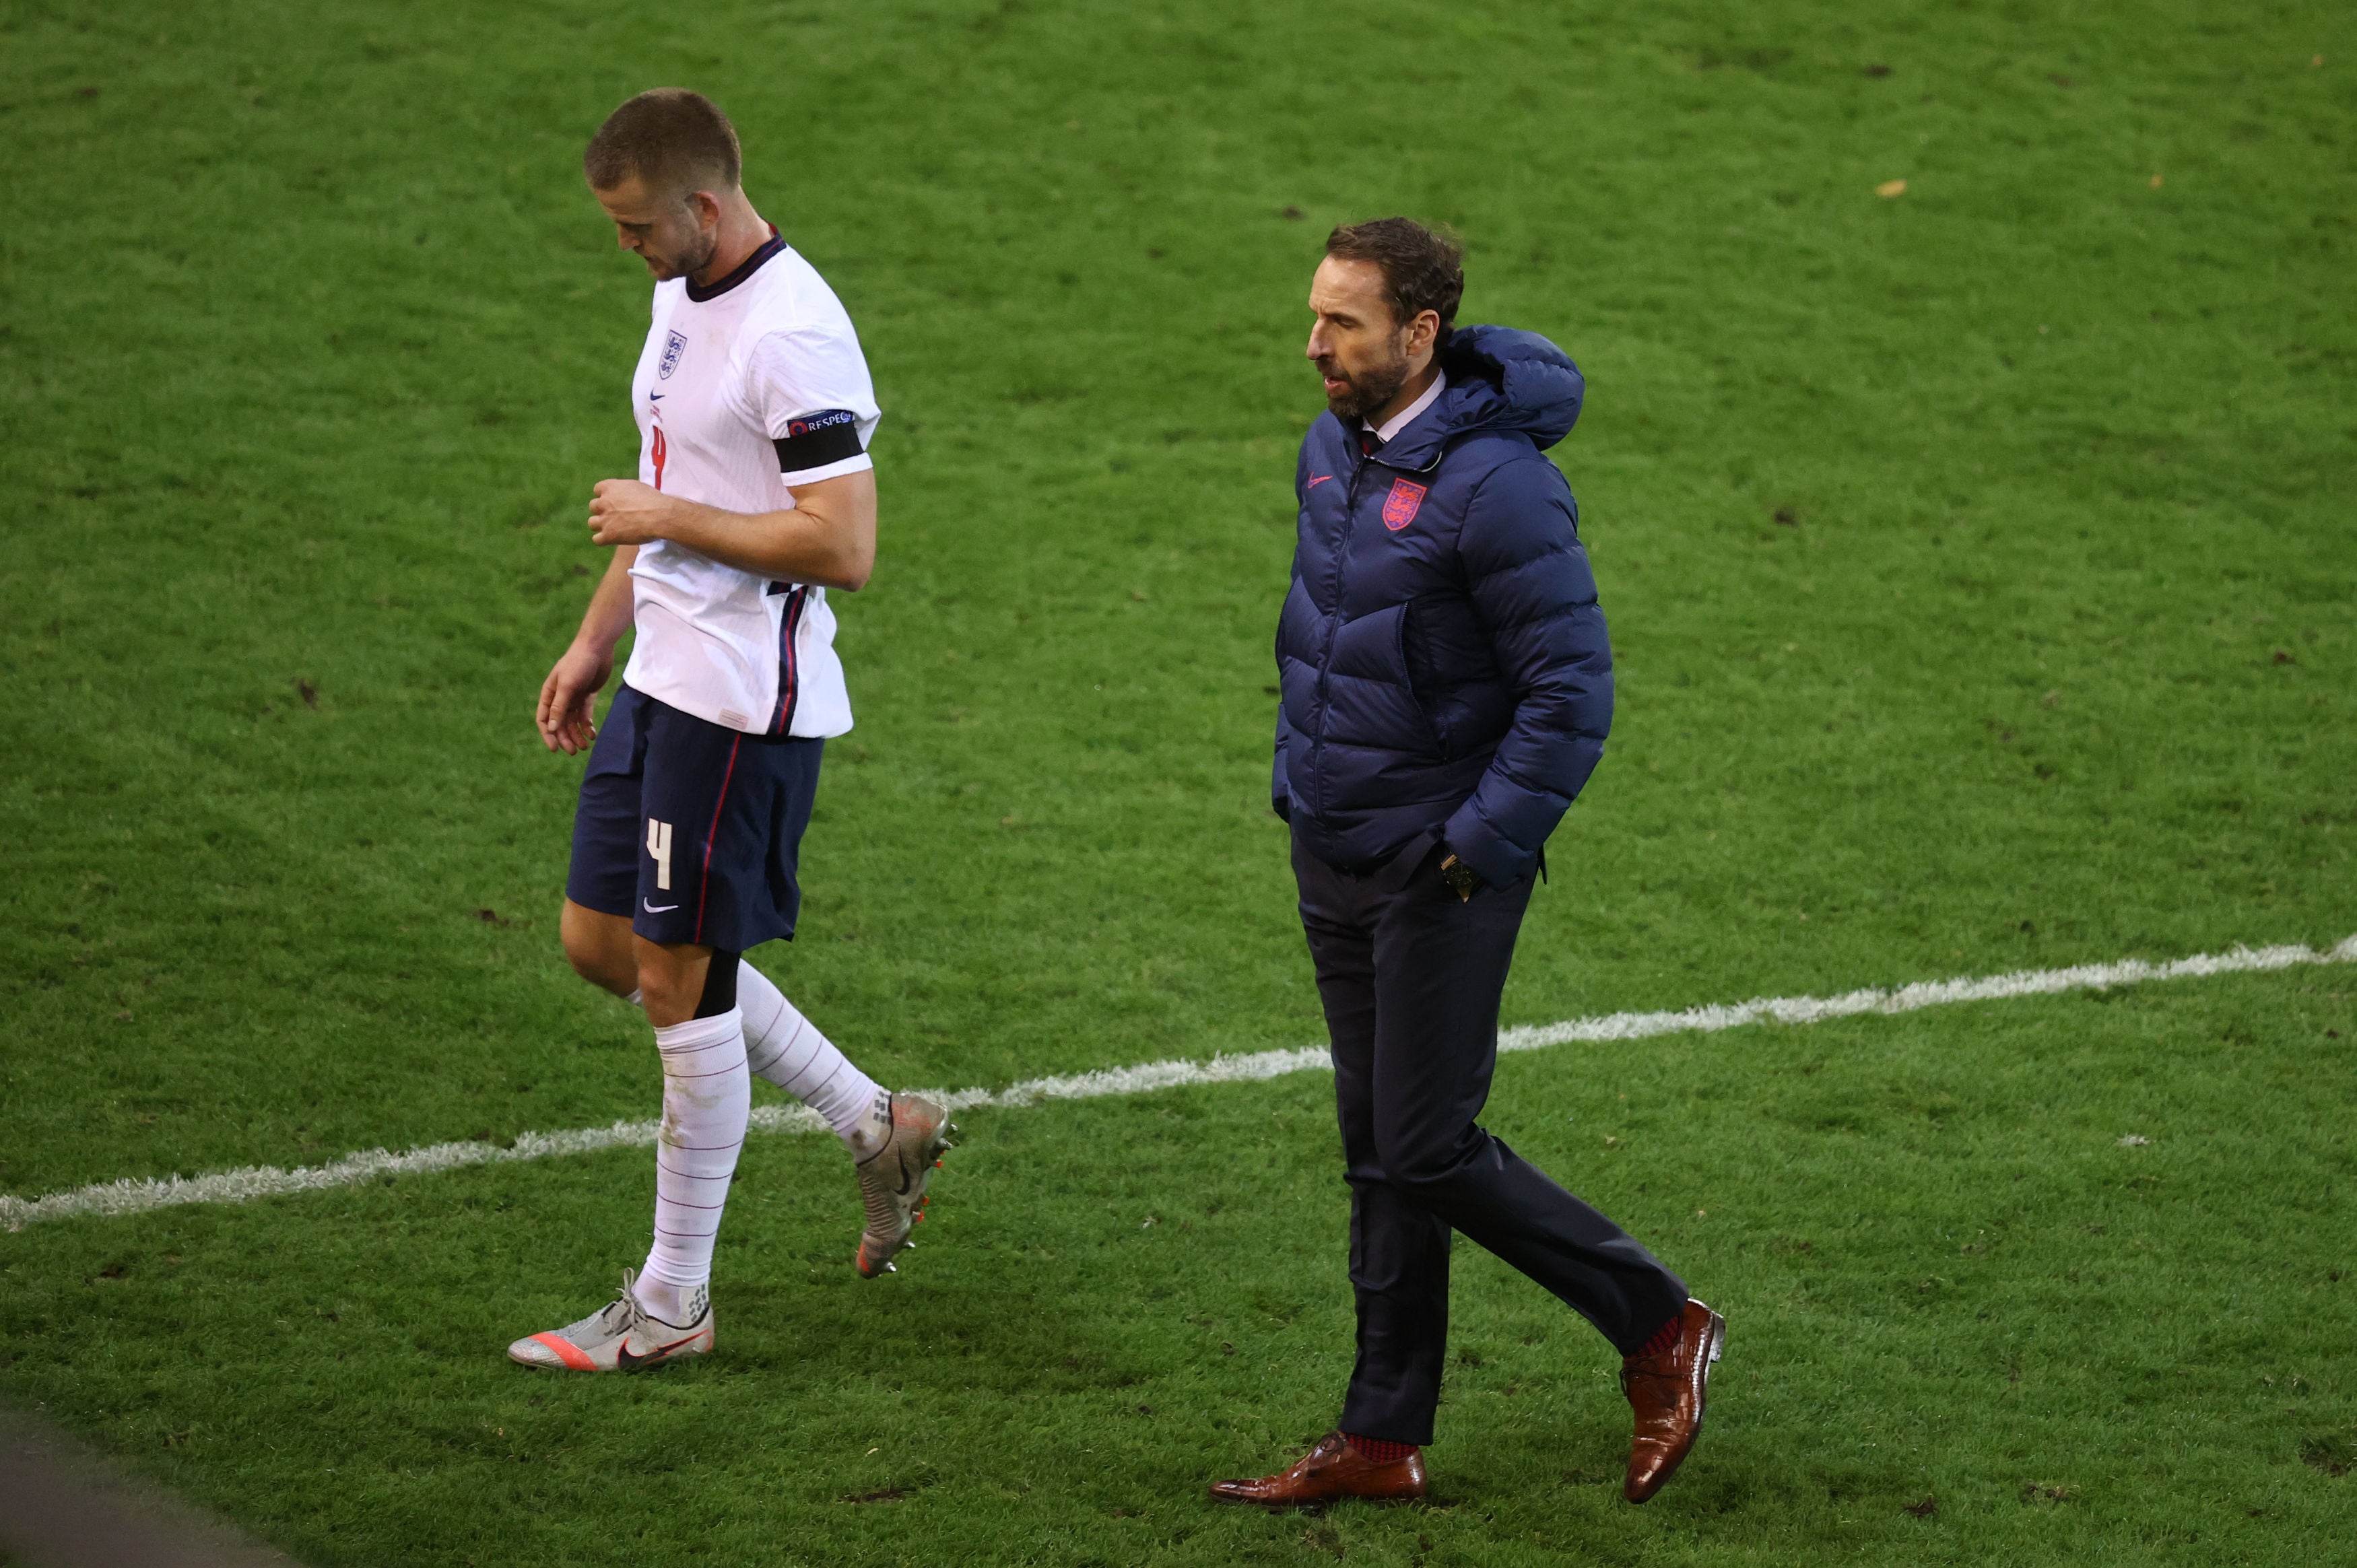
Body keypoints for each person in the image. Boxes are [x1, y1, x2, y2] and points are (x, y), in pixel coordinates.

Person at [1211, 218, 1721, 1507]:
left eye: (1344, 324)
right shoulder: (1333, 444)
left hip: (1436, 867)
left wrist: (1473, 848)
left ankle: (1660, 1321)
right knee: (1377, 1147)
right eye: (1315, 315)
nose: (1315, 344)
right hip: (1333, 847)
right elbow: (1331, 640)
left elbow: (1574, 691)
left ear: (1421, 333)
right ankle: (1381, 1435)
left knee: (1427, 1144)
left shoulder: (1501, 486)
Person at [508, 89, 954, 1374]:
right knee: (603, 943)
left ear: (705, 205)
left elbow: (845, 545)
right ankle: (878, 1120)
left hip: (739, 705)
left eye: (640, 226)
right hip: (660, 671)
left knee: (674, 983)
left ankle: (673, 1302)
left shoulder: (796, 333)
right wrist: (598, 637)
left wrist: (666, 524)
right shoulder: (679, 294)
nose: (627, 248)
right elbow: (677, 490)